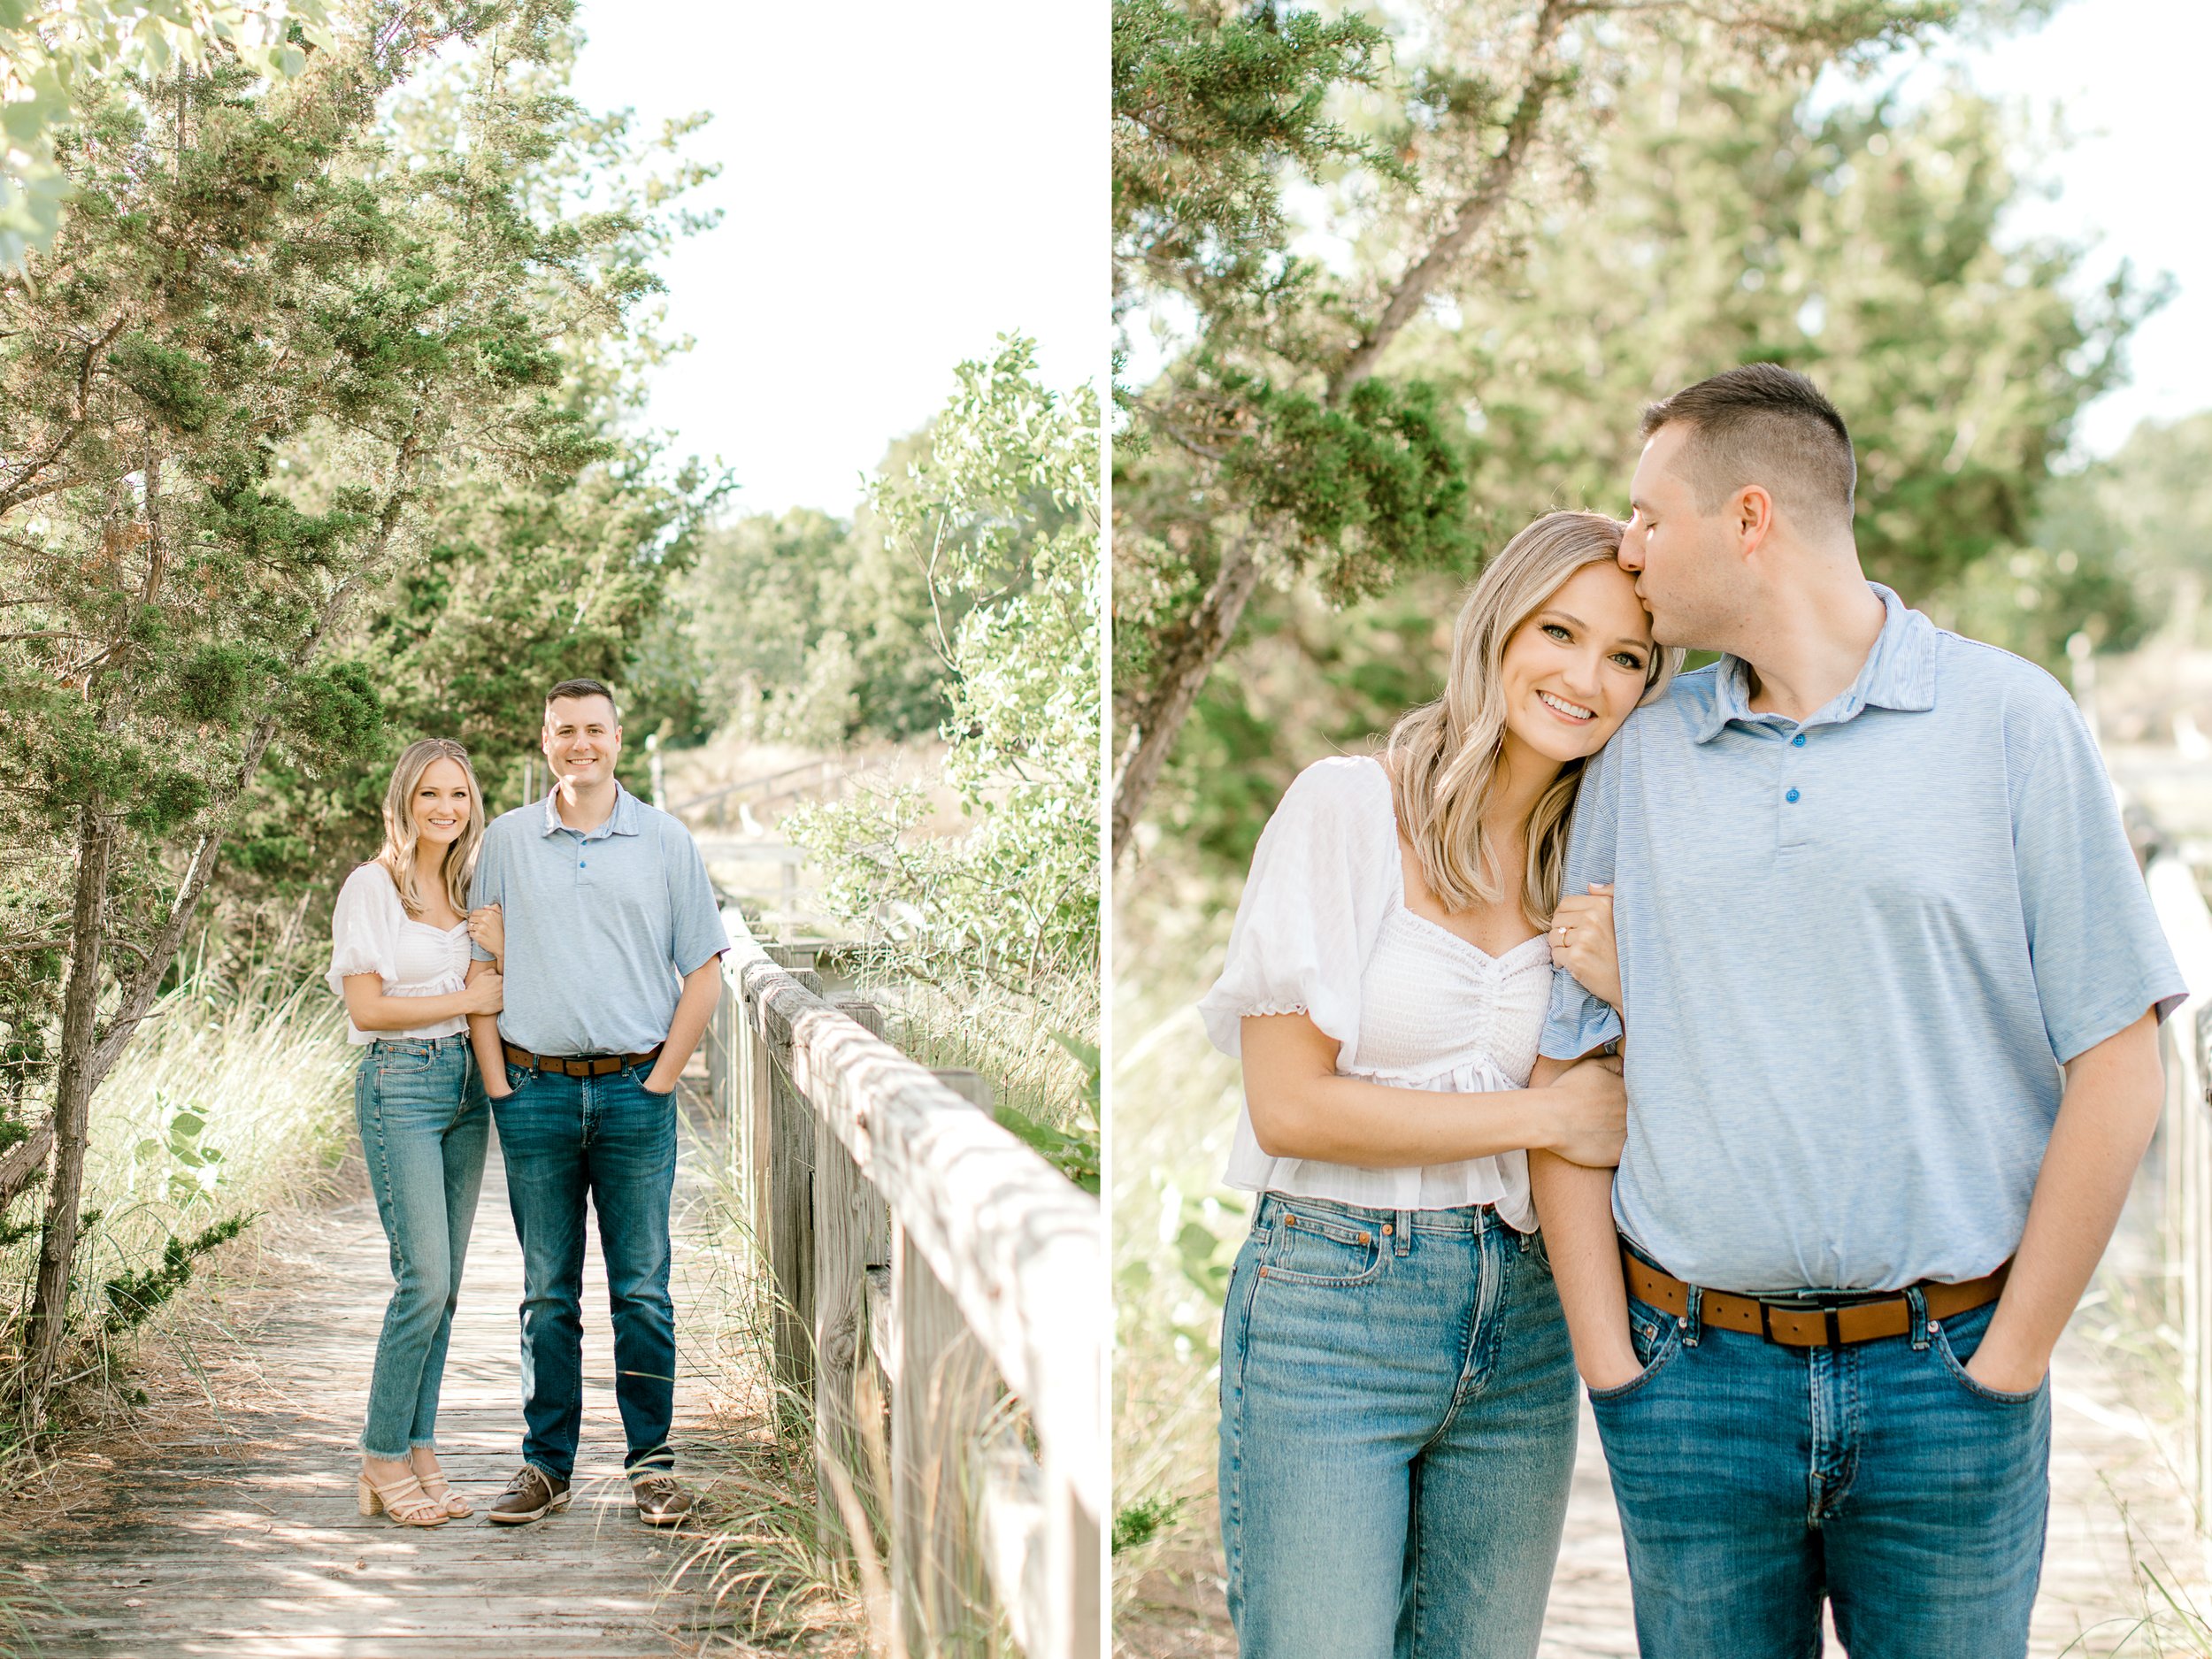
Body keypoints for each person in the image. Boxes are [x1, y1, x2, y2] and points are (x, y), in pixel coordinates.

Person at [1530, 364, 2187, 1659]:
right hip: (1693, 1384)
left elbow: (2121, 1060)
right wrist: (1615, 1369)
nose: (1628, 545)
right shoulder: (1644, 754)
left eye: (1652, 514)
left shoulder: (2010, 722)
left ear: (1752, 518)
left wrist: (2011, 1360)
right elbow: (1574, 1066)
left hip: (1948, 1378)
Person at [1195, 511, 1680, 1658]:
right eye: (1559, 630)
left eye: (1627, 657)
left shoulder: (1599, 864)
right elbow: (1291, 1105)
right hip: (1331, 1306)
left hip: (1526, 1320)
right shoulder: (1349, 806)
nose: (1585, 676)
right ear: (1498, 624)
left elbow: (1666, 1109)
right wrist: (1541, 1115)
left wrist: (1645, 989)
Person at [463, 677, 729, 1527]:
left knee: (642, 1291)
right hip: (534, 1089)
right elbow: (481, 969)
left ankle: (652, 1466)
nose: (580, 744)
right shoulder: (504, 841)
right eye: (564, 730)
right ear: (545, 741)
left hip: (634, 1091)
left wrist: (662, 1079)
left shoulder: (664, 840)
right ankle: (547, 1466)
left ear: (619, 737)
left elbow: (705, 972)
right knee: (547, 1293)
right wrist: (499, 1082)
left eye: (595, 730)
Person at [328, 738, 504, 1528]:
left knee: (450, 1286)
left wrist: (488, 975)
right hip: (399, 1081)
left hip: (466, 1088)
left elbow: (498, 981)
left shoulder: (469, 886)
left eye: (459, 795)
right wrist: (467, 1000)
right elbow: (366, 1009)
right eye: (431, 793)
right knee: (423, 1279)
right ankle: (378, 1451)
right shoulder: (373, 886)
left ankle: (419, 1443)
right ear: (405, 799)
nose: (445, 808)